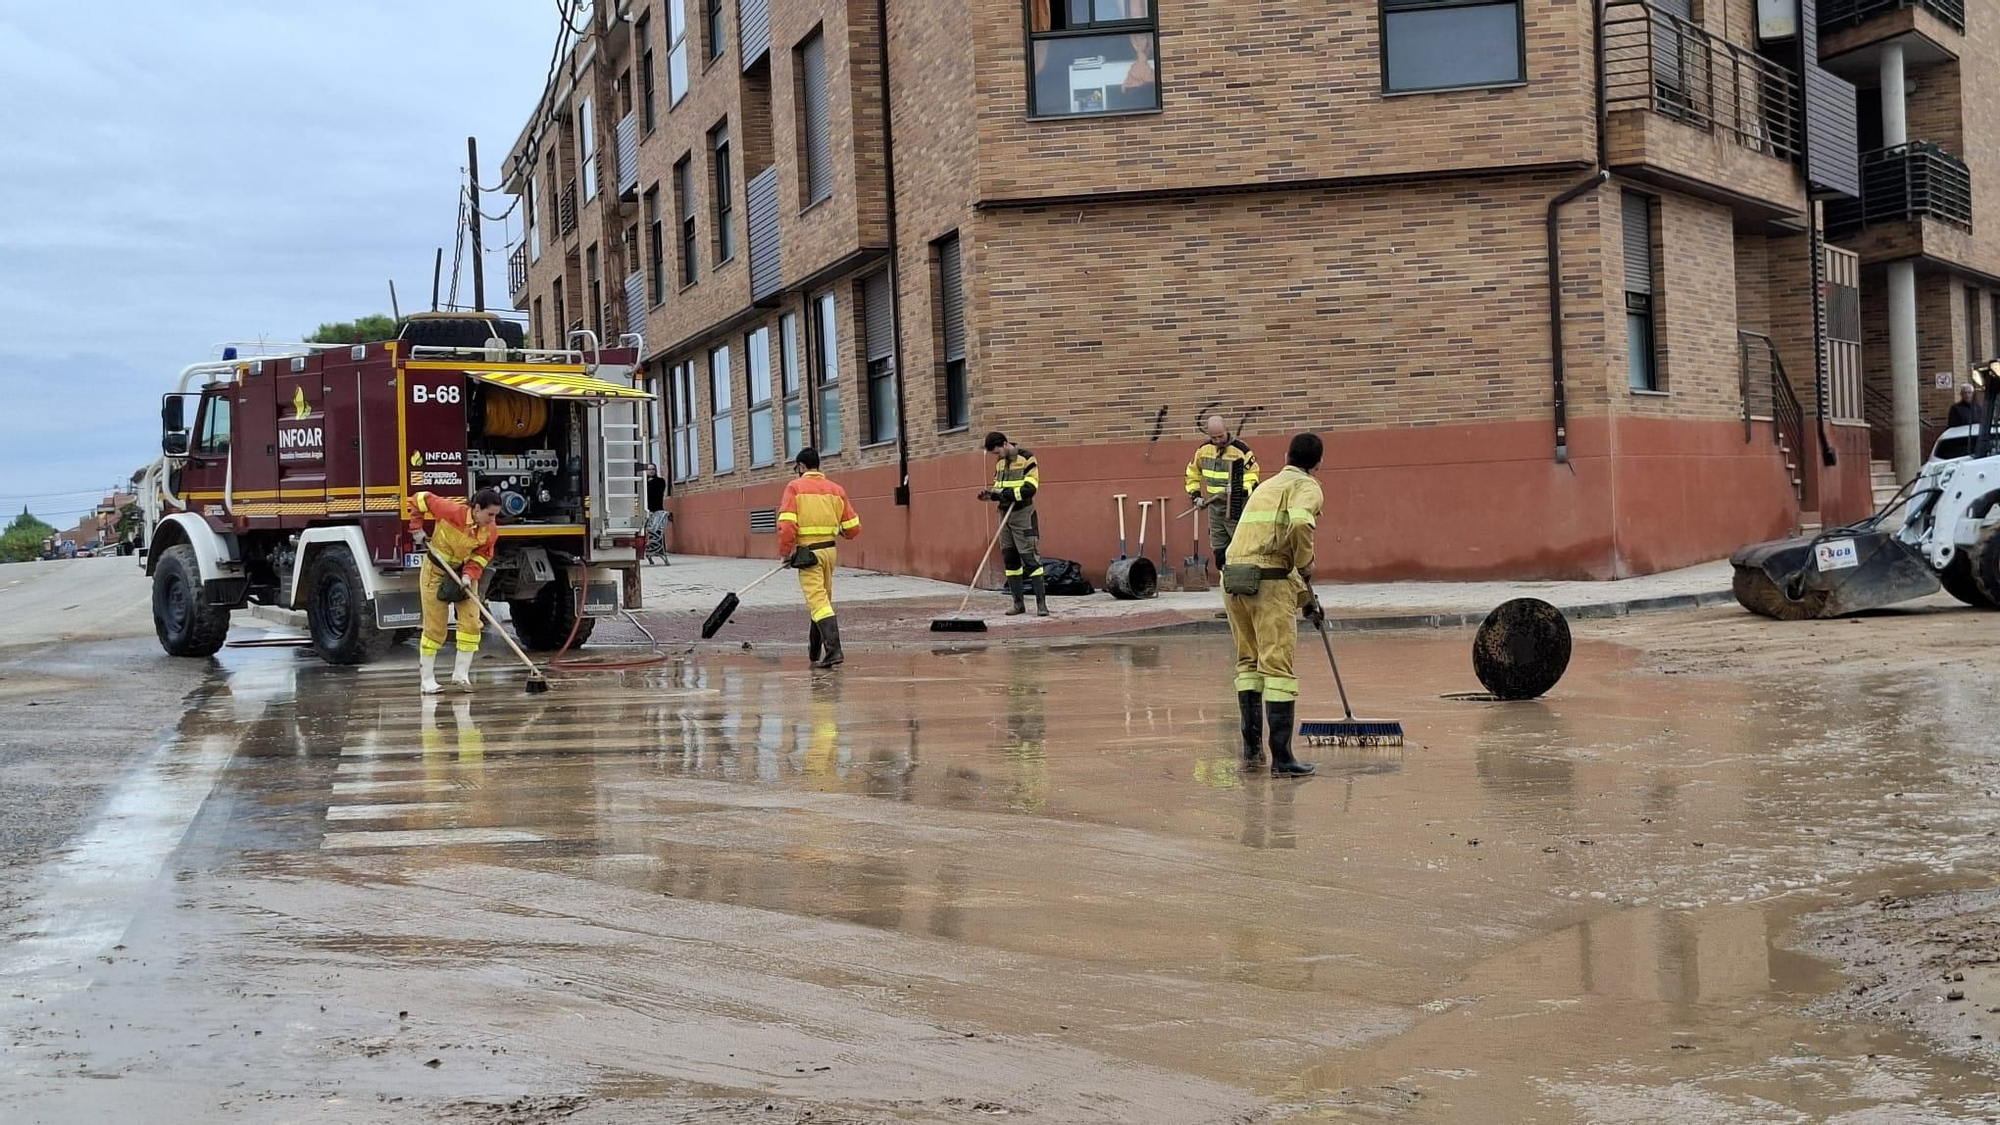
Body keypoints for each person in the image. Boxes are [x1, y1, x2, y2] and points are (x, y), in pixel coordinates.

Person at [1222, 432, 1327, 777]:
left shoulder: (1266, 487)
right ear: (1318, 463)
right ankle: (1283, 759)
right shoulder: (1307, 487)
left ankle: (1253, 754)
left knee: (1248, 662)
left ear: (1286, 455)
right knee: (1277, 669)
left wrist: (1305, 601)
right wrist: (1307, 560)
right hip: (1267, 583)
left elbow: (1265, 552)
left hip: (1234, 579)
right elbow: (1297, 526)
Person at [408, 488, 503, 694]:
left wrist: (469, 575)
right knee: (435, 626)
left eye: (496, 515)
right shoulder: (450, 511)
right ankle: (427, 680)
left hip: (463, 574)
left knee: (471, 623)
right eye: (490, 514)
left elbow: (482, 555)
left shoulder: (490, 531)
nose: (493, 519)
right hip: (435, 571)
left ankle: (461, 675)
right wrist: (416, 527)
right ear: (476, 509)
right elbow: (418, 499)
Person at [777, 447, 861, 668]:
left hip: (808, 554)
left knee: (817, 600)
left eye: (797, 468)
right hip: (829, 552)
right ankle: (814, 650)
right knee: (822, 599)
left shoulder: (794, 488)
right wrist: (840, 529)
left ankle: (834, 651)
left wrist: (785, 553)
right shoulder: (836, 489)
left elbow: (786, 525)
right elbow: (853, 527)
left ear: (802, 467)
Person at [978, 432, 1048, 617]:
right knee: (1010, 559)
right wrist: (991, 495)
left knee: (1031, 559)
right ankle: (1018, 604)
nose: (997, 456)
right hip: (1004, 515)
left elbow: (1030, 488)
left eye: (997, 452)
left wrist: (1003, 496)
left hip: (1023, 514)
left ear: (1005, 444)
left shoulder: (1027, 457)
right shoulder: (1000, 463)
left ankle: (1042, 605)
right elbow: (1000, 488)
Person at [1185, 414, 1260, 571]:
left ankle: (1241, 577)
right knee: (1219, 547)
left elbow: (1253, 476)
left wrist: (1239, 491)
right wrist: (1196, 495)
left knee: (1240, 544)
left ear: (1227, 430)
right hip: (1214, 507)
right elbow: (1192, 473)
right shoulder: (1203, 451)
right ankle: (1224, 578)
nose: (1218, 440)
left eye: (1221, 436)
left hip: (1235, 507)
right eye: (1214, 438)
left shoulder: (1241, 451)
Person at [642, 462, 671, 565]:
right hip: (647, 511)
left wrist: (649, 483)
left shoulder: (660, 481)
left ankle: (659, 551)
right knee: (646, 531)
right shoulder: (643, 482)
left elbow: (655, 492)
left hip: (657, 509)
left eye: (653, 469)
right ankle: (648, 552)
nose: (651, 471)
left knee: (658, 531)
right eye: (649, 469)